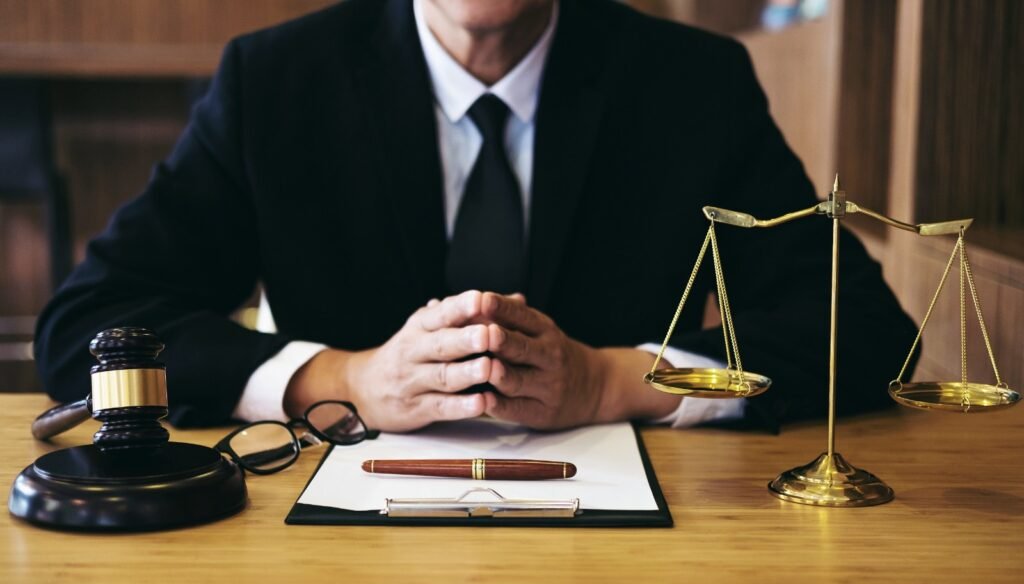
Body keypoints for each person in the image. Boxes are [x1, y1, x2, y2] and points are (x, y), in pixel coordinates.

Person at [34, 0, 917, 432]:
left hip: (642, 569)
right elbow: (87, 324)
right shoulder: (274, 83)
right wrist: (344, 378)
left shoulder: (692, 84)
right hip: (329, 572)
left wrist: (612, 381)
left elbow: (867, 330)